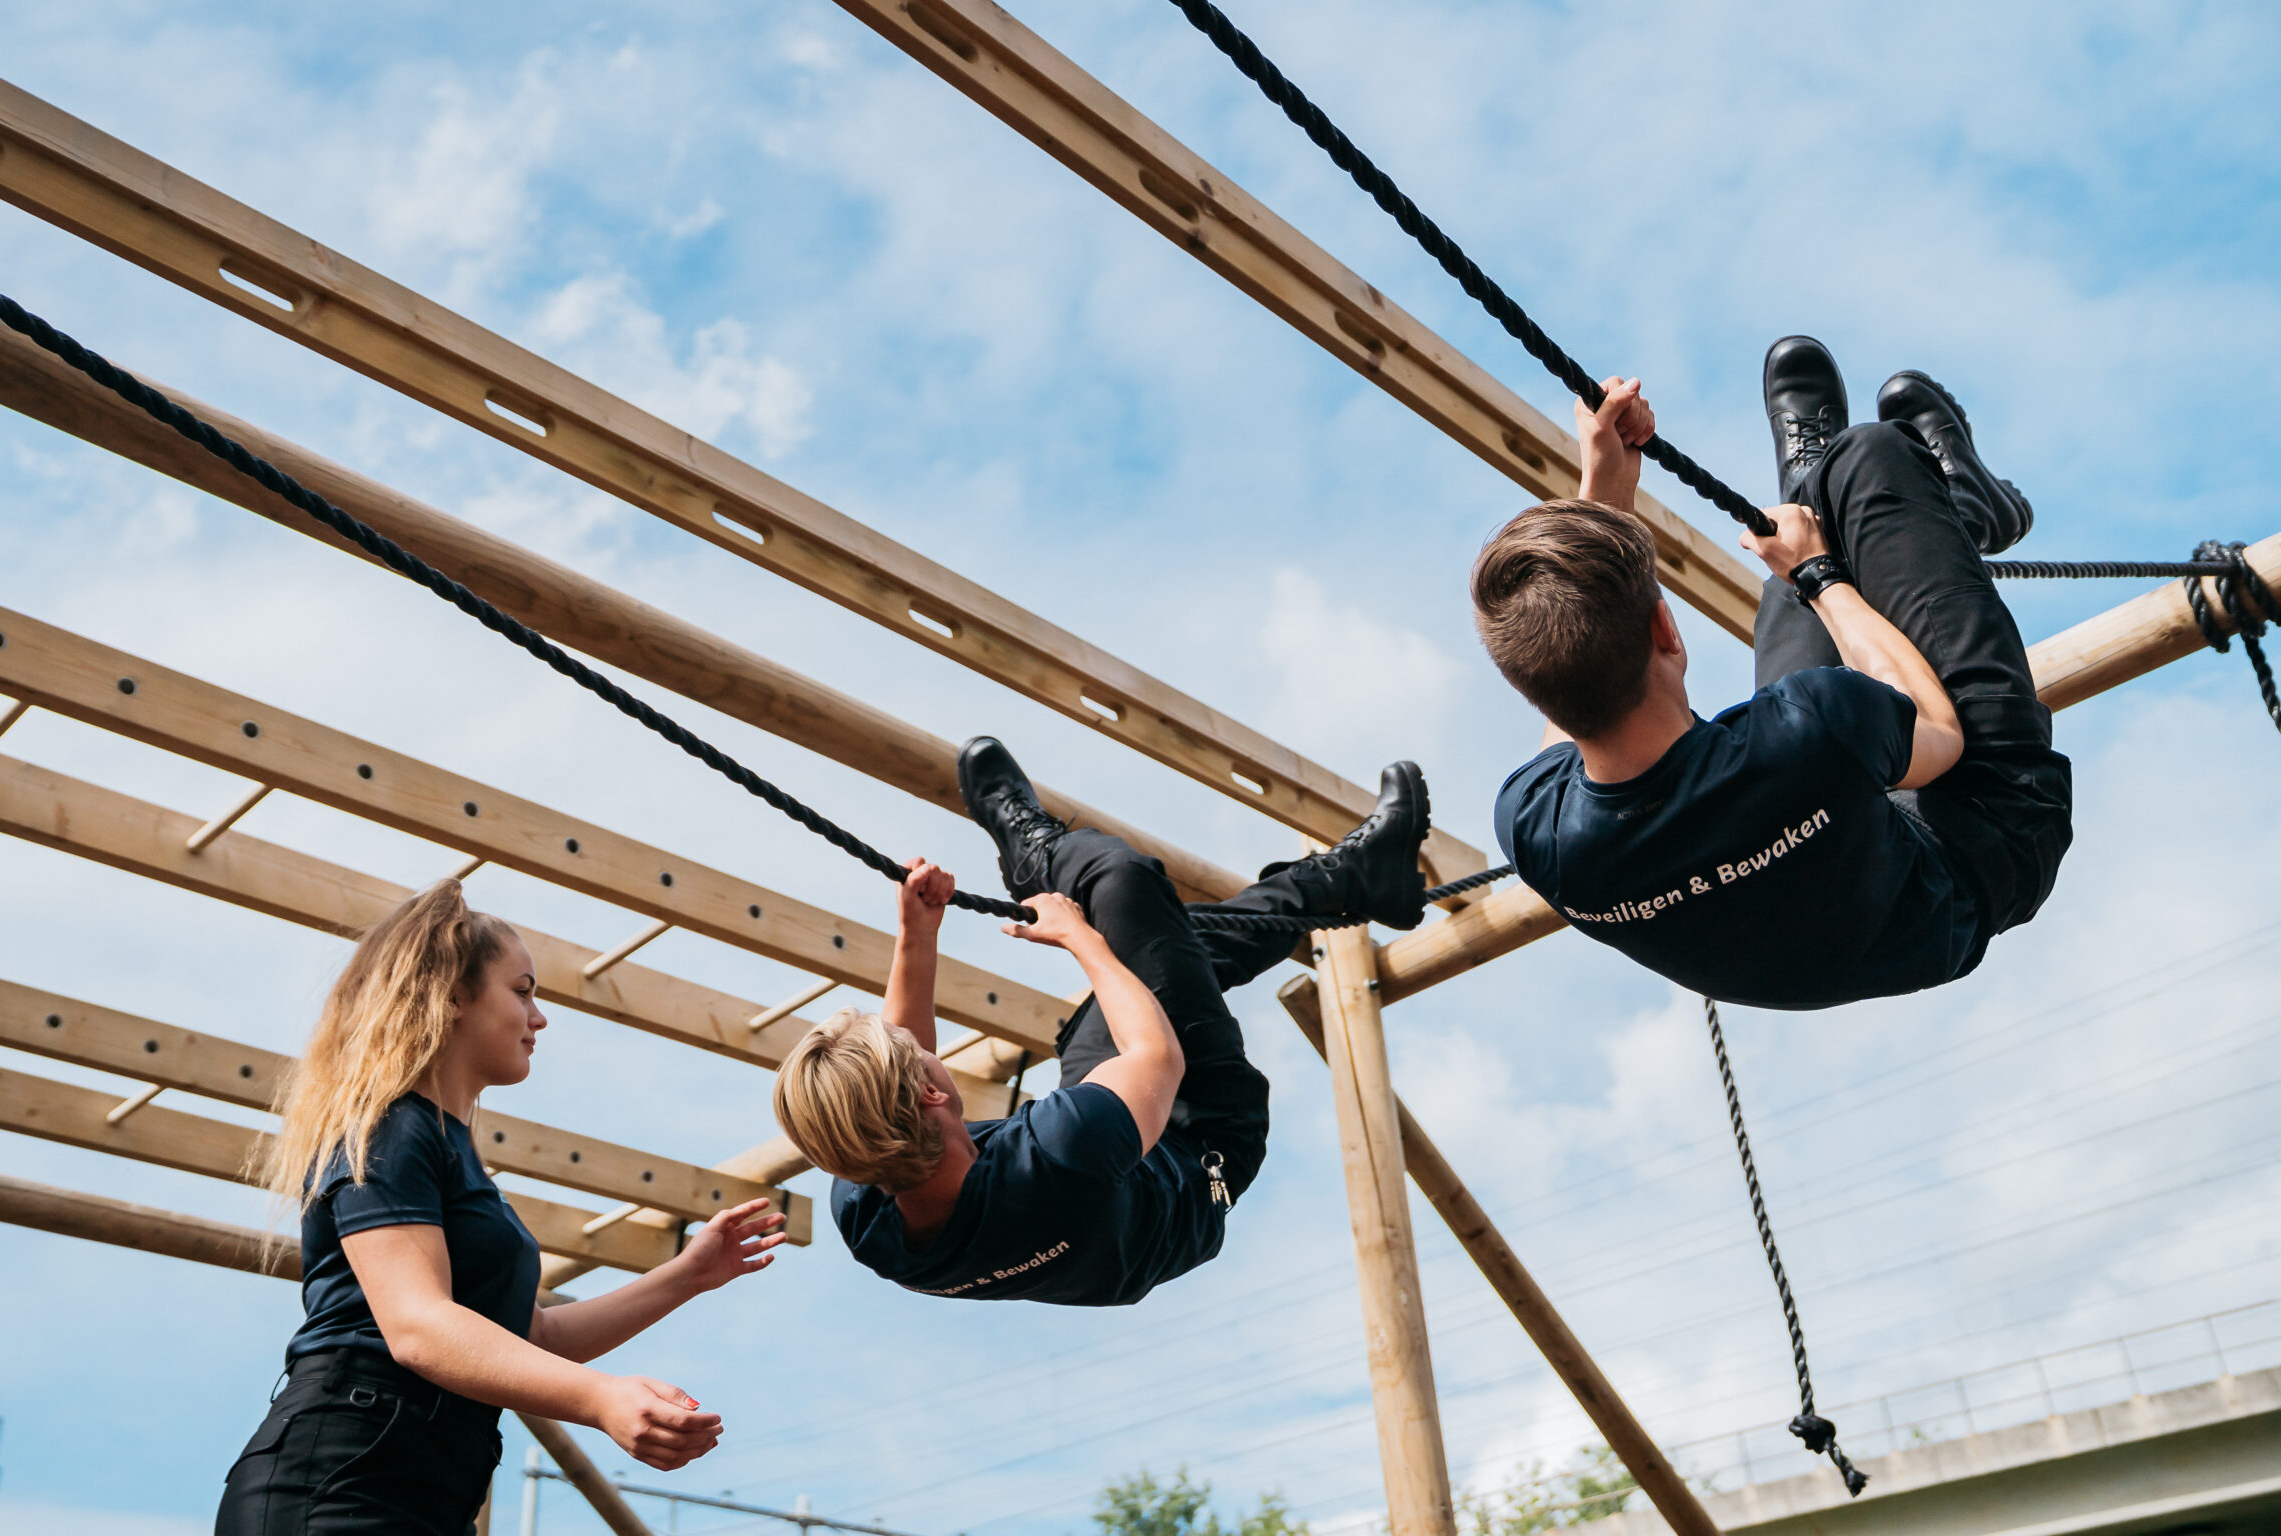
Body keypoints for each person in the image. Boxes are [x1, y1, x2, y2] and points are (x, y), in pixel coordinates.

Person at [1471, 336, 2073, 1008]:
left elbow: (1573, 668)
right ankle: (1949, 502)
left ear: (1530, 686)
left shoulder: (1538, 829)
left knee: (1804, 602)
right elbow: (1937, 732)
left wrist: (1606, 492)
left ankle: (1824, 497)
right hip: (1975, 861)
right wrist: (1817, 574)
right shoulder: (1811, 727)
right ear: (1667, 633)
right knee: (1871, 458)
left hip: (1819, 882)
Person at [771, 736, 1430, 1305]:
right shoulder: (1058, 1147)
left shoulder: (870, 1202)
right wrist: (1075, 934)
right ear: (930, 1091)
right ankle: (1037, 857)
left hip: (1115, 1186)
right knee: (1122, 886)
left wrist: (917, 934)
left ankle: (1358, 879)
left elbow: (901, 1065)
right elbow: (1159, 1059)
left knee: (1169, 944)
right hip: (1202, 1142)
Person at [217, 880, 787, 1536]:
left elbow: (529, 1337)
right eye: (522, 990)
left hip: (421, 1490)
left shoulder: (449, 1148)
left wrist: (688, 1275)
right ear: (453, 995)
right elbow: (419, 1326)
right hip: (343, 1478)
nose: (539, 1017)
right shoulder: (392, 1127)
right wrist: (601, 1398)